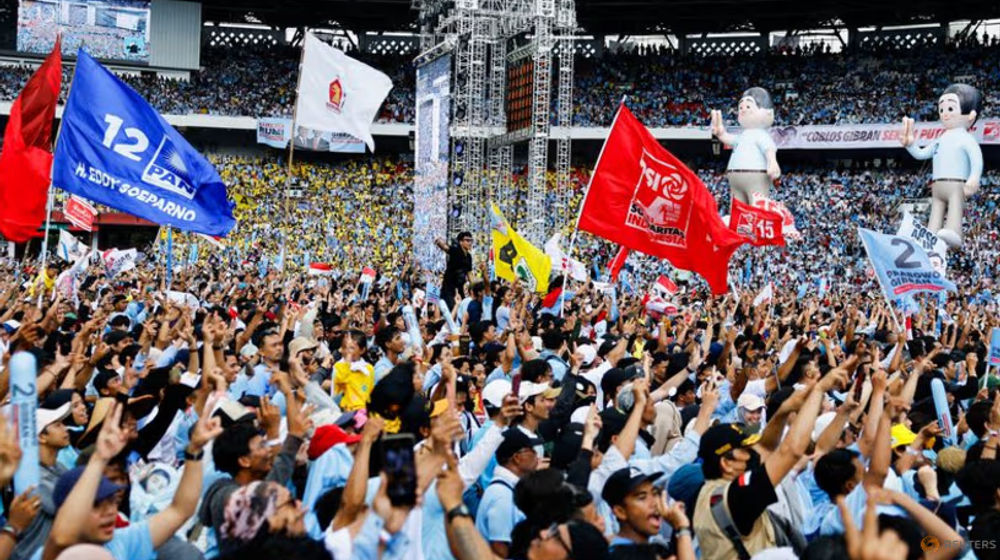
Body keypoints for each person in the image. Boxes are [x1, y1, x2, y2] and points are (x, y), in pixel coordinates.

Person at [692, 368, 845, 558]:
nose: (752, 454)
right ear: (726, 463)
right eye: (746, 450)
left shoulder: (715, 489)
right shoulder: (735, 496)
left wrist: (784, 411)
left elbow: (765, 447)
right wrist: (819, 390)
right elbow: (792, 450)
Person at [38, 402, 222, 560]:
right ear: (66, 510)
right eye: (96, 505)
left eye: (111, 501)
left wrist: (195, 451)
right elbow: (61, 536)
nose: (109, 512)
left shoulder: (122, 540)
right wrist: (99, 458)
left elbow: (180, 510)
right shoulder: (53, 554)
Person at [10, 404, 72, 560]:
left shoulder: (59, 467)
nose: (66, 429)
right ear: (41, 437)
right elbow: (70, 506)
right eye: (58, 425)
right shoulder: (30, 476)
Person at [475, 429, 543, 556]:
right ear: (516, 458)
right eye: (531, 450)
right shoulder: (502, 495)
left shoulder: (509, 488)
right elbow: (499, 547)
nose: (536, 455)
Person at [436, 232, 474, 309]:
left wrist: (475, 286)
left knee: (463, 308)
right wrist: (438, 242)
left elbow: (469, 274)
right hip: (449, 287)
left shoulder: (469, 257)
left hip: (460, 288)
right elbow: (446, 248)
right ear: (461, 242)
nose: (469, 243)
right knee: (452, 308)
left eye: (471, 241)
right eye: (467, 240)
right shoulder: (456, 251)